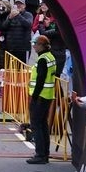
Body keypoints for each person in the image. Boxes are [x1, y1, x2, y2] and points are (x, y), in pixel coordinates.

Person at [27, 35, 57, 164]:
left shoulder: (43, 60)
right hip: (47, 95)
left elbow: (40, 80)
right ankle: (45, 154)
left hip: (40, 96)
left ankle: (40, 154)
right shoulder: (50, 57)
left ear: (41, 46)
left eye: (35, 44)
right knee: (43, 124)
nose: (33, 46)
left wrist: (34, 96)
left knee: (36, 125)